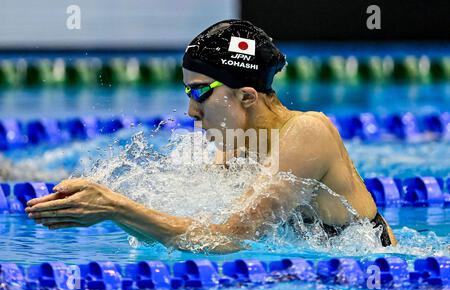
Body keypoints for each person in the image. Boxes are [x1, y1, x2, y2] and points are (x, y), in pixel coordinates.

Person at [25, 19, 397, 253]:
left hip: (380, 279)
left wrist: (115, 207)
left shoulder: (308, 133)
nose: (191, 110)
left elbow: (228, 239)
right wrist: (104, 204)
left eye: (201, 92)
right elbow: (189, 223)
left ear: (246, 96)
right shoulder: (236, 147)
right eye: (188, 93)